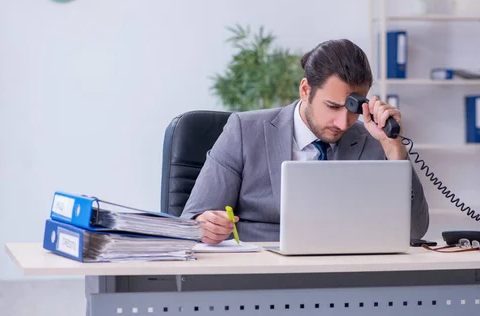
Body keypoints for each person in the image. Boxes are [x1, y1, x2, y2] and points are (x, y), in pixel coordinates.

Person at [181, 39, 429, 244]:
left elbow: (414, 231)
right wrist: (205, 225)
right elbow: (191, 221)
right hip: (262, 275)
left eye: (353, 109)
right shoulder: (245, 131)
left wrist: (394, 150)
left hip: (346, 278)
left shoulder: (375, 141)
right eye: (332, 106)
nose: (343, 123)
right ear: (305, 90)